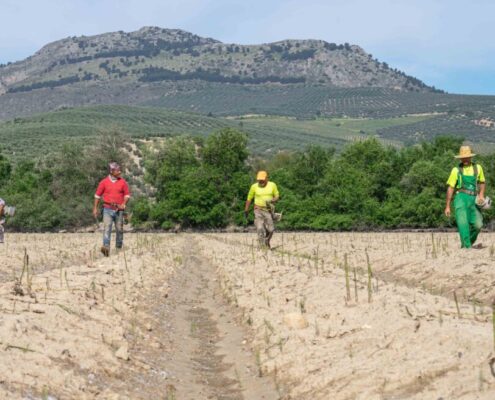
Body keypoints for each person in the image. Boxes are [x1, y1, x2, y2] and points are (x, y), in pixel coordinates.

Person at [444, 145, 486, 249]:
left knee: (478, 225)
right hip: (460, 198)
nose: (465, 159)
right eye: (463, 157)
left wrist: (481, 194)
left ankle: (467, 243)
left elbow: (482, 182)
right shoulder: (456, 170)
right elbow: (450, 188)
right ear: (460, 158)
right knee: (463, 224)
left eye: (467, 157)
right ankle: (467, 247)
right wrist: (447, 206)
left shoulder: (478, 168)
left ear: (470, 157)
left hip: (474, 198)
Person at [93, 162, 131, 256]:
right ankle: (106, 248)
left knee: (119, 229)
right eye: (117, 170)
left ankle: (118, 249)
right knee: (107, 228)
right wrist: (95, 208)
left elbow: (127, 195)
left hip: (119, 210)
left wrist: (124, 203)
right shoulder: (103, 182)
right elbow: (97, 196)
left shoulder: (123, 182)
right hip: (107, 209)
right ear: (111, 171)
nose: (120, 171)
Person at [244, 170, 280, 249]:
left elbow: (277, 196)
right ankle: (262, 246)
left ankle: (267, 241)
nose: (261, 181)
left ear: (267, 178)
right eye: (259, 180)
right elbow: (249, 199)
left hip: (268, 210)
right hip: (258, 210)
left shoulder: (272, 185)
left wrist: (273, 200)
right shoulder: (254, 186)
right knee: (260, 228)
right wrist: (246, 210)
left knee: (271, 230)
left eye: (262, 180)